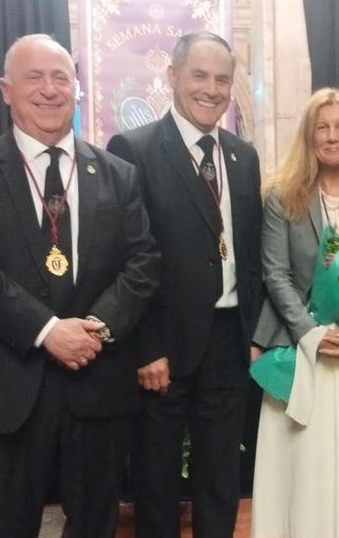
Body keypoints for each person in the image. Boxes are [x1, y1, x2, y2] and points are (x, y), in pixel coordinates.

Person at [0, 33, 161, 537]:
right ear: (5, 89)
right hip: (7, 387)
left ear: (78, 89)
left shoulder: (118, 174)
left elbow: (143, 261)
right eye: (34, 77)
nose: (49, 89)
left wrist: (98, 328)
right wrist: (47, 330)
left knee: (95, 525)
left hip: (97, 385)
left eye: (62, 77)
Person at [107, 31, 263, 538]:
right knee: (156, 476)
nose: (212, 89)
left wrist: (255, 334)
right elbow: (127, 259)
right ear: (172, 77)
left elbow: (251, 253)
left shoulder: (242, 155)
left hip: (229, 341)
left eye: (222, 79)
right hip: (164, 347)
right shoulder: (135, 148)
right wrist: (146, 347)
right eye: (199, 75)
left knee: (221, 476)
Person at [250, 88, 339, 538]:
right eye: (322, 127)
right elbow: (275, 275)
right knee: (302, 470)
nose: (331, 136)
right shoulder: (283, 196)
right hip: (300, 353)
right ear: (309, 135)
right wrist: (313, 335)